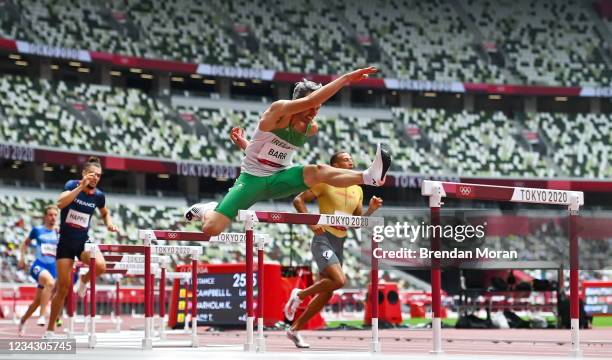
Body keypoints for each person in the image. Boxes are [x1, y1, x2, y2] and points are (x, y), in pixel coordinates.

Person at [184, 67, 391, 238]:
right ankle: (208, 208)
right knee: (210, 230)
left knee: (316, 170)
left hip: (281, 178)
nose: (313, 112)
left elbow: (269, 152)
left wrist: (244, 143)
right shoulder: (278, 112)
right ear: (296, 104)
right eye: (311, 107)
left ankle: (369, 176)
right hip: (252, 181)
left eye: (318, 109)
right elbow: (307, 103)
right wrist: (345, 78)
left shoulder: (311, 127)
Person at [288, 151, 383, 347]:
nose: (351, 162)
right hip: (323, 238)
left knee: (328, 292)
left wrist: (371, 209)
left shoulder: (358, 189)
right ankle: (299, 294)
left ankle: (294, 329)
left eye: (351, 159)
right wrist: (311, 223)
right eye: (346, 159)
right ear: (335, 164)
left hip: (340, 242)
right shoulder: (325, 182)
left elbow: (357, 223)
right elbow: (298, 200)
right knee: (339, 280)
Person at [44, 156, 118, 338]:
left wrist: (109, 222)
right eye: (92, 174)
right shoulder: (71, 184)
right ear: (84, 173)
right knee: (62, 288)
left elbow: (105, 212)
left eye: (99, 175)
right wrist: (80, 187)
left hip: (83, 241)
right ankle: (50, 329)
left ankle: (84, 281)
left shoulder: (99, 196)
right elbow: (60, 204)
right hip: (66, 244)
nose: (95, 178)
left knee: (101, 266)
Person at [17, 205, 60, 334]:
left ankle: (23, 321)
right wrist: (22, 258)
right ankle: (42, 316)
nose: (53, 218)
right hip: (38, 265)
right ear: (45, 216)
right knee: (50, 283)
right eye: (50, 215)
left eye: (55, 215)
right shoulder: (37, 230)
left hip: (52, 268)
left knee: (36, 301)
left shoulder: (58, 232)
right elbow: (25, 244)